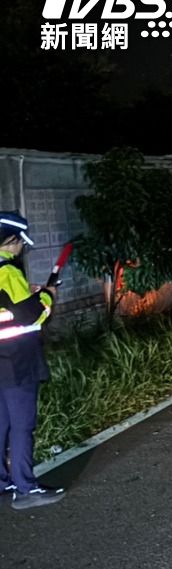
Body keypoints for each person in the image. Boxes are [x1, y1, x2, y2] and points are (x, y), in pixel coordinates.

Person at [0, 211, 64, 509]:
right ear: (10, 240)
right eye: (19, 243)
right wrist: (48, 296)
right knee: (23, 425)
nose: (22, 248)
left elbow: (10, 305)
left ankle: (3, 480)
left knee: (1, 424)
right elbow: (30, 315)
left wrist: (30, 293)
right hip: (17, 361)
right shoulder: (8, 272)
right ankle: (25, 488)